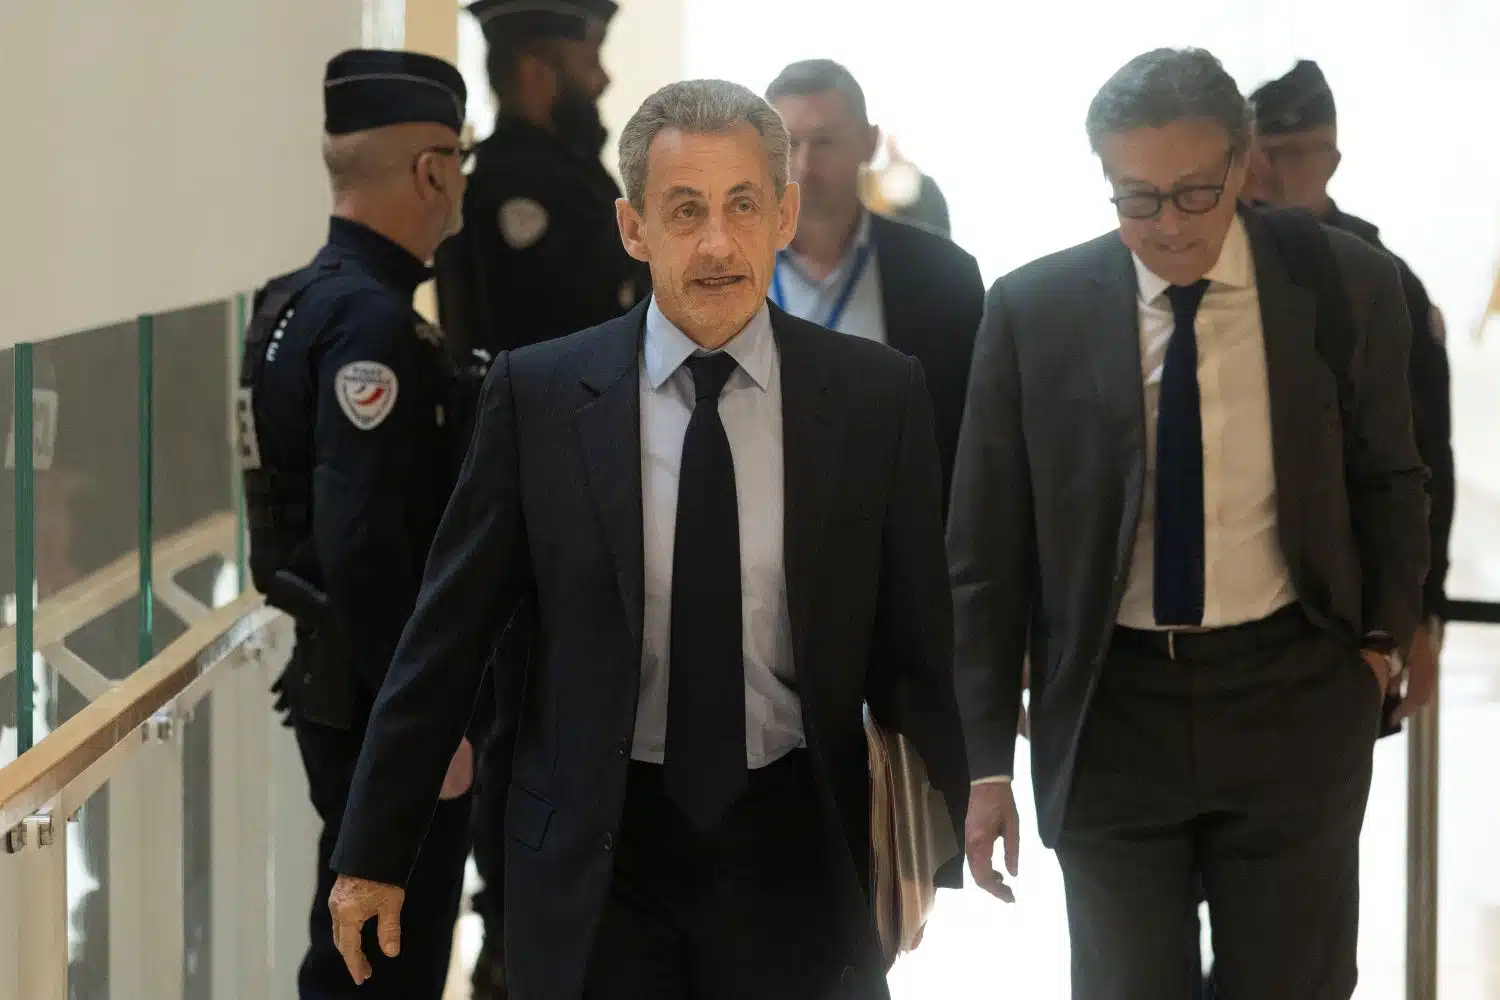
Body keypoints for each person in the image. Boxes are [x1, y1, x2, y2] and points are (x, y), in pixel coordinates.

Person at [322, 77, 969, 1000]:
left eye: (743, 205)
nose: (718, 244)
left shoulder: (876, 398)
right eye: (685, 210)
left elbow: (917, 638)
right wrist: (374, 851)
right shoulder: (539, 396)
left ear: (783, 215)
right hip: (602, 854)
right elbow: (447, 638)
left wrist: (951, 817)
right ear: (635, 229)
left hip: (797, 848)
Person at [951, 47, 1429, 1000]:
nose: (1168, 225)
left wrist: (1378, 648)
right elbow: (986, 547)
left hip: (1292, 693)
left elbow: (1390, 479)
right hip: (1112, 706)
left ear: (1243, 163)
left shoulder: (1346, 285)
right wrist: (985, 765)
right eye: (1137, 199)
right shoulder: (1034, 311)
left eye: (1195, 193)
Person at [236, 48, 477, 1000]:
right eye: (460, 161)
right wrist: (422, 729)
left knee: (360, 953)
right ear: (432, 171)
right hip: (379, 702)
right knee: (383, 965)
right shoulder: (370, 326)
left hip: (342, 682)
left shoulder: (292, 303)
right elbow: (362, 542)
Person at [1247, 59, 1452, 722]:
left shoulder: (1380, 279)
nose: (1268, 173)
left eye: (1289, 155)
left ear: (1331, 160)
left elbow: (1421, 463)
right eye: (1258, 154)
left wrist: (1419, 615)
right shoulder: (1209, 270)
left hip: (1351, 607)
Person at [765, 59, 983, 505]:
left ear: (870, 143)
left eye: (825, 141)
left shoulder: (945, 275)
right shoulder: (723, 270)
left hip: (897, 520)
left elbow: (969, 433)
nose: (804, 165)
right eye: (788, 145)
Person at [434, 0, 648, 365]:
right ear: (536, 73)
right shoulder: (514, 187)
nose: (603, 79)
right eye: (590, 60)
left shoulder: (574, 178)